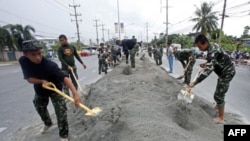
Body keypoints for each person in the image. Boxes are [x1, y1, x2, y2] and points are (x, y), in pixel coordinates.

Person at [19, 40, 82, 141]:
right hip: (41, 88)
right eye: (33, 55)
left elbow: (65, 78)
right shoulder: (23, 61)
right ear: (25, 54)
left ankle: (64, 135)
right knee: (39, 106)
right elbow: (29, 79)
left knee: (61, 112)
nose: (38, 57)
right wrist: (42, 81)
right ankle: (48, 123)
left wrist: (75, 94)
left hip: (55, 89)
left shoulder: (50, 65)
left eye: (39, 53)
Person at [188, 34, 235, 124]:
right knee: (219, 91)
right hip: (224, 72)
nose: (199, 49)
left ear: (205, 43)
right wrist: (206, 63)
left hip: (227, 73)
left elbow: (208, 70)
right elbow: (215, 60)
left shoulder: (212, 50)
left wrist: (194, 82)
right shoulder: (212, 46)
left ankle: (221, 117)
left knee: (218, 95)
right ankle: (218, 105)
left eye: (200, 46)